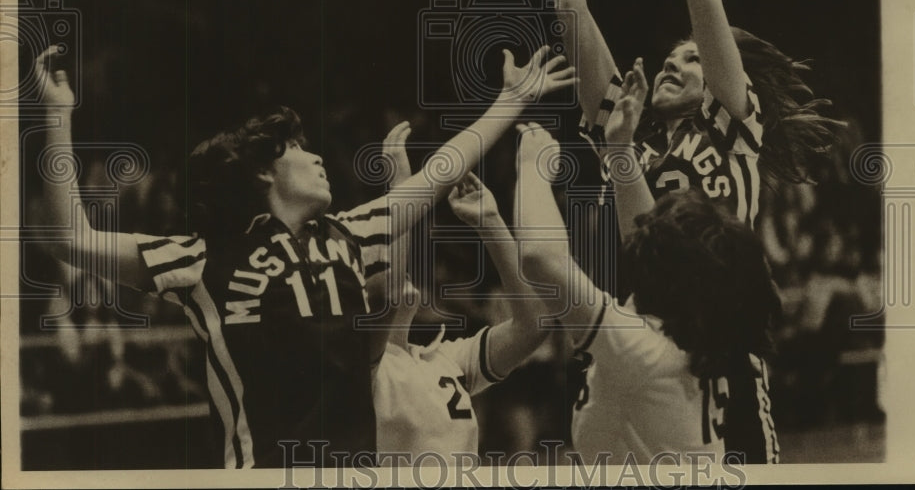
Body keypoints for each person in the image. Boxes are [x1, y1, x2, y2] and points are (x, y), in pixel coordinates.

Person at [31, 43, 574, 468]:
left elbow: (442, 172)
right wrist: (57, 117)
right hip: (265, 469)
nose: (317, 158)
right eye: (297, 148)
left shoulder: (350, 232)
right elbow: (70, 239)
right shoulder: (201, 257)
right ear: (263, 171)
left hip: (353, 467)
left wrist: (510, 101)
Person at [545, 0, 842, 463]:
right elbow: (567, 5)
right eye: (672, 54)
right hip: (641, 342)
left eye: (693, 56)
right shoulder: (630, 126)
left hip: (719, 349)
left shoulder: (731, 127)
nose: (679, 62)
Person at [513, 122, 782, 465]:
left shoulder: (643, 351)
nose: (645, 230)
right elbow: (640, 226)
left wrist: (531, 166)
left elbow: (540, 257)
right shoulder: (688, 336)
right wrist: (621, 151)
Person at [369, 156, 549, 463]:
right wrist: (402, 191)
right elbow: (390, 293)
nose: (400, 267)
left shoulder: (445, 358)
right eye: (376, 261)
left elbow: (532, 326)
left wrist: (490, 221)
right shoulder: (362, 366)